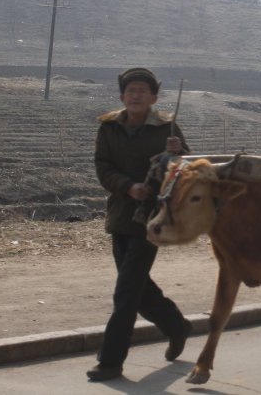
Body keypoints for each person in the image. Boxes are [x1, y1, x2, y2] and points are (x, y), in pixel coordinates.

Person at [87, 67, 193, 382]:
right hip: (120, 215)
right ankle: (177, 325)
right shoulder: (108, 127)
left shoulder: (167, 128)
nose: (135, 95)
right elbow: (102, 166)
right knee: (138, 288)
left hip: (152, 219)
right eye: (130, 90)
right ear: (122, 96)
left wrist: (177, 154)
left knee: (126, 292)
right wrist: (127, 186)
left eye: (142, 91)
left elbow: (186, 169)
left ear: (153, 98)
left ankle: (110, 361)